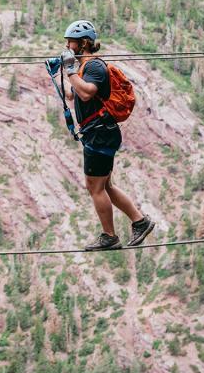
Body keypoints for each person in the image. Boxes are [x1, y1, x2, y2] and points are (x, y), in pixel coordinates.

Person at [60, 20, 154, 251]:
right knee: (106, 185)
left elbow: (86, 93)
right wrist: (60, 73)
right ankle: (140, 221)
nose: (67, 45)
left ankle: (109, 236)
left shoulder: (94, 67)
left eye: (70, 41)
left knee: (95, 187)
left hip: (100, 134)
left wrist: (71, 70)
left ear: (83, 43)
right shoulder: (83, 68)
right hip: (99, 132)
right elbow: (72, 95)